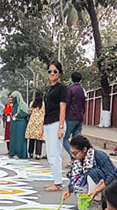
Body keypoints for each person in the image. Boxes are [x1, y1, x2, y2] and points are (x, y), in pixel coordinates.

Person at [62, 135, 117, 210]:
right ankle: (88, 200)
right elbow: (73, 176)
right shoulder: (77, 161)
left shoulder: (99, 155)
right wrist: (69, 190)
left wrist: (96, 191)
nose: (73, 156)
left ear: (84, 149)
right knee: (80, 177)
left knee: (93, 173)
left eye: (75, 153)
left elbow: (112, 176)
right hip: (98, 187)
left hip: (110, 187)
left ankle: (97, 202)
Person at [43, 60, 68, 191]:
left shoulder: (62, 88)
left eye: (55, 71)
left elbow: (62, 108)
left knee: (55, 153)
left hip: (56, 123)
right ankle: (56, 180)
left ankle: (58, 183)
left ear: (60, 74)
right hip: (48, 123)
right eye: (50, 71)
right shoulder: (48, 90)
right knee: (50, 153)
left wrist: (61, 127)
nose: (52, 74)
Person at [63, 72, 85, 152]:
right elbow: (83, 104)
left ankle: (73, 156)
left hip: (71, 117)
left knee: (64, 138)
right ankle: (78, 157)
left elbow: (67, 103)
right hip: (80, 117)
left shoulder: (70, 89)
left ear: (71, 79)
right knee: (76, 140)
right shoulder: (82, 90)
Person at [8, 90, 30, 159]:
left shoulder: (22, 104)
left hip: (21, 124)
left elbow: (26, 113)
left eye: (13, 98)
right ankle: (13, 152)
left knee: (20, 139)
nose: (11, 99)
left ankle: (20, 153)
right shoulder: (14, 105)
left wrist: (18, 114)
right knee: (13, 138)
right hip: (14, 123)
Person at [25, 90, 45, 159]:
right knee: (39, 139)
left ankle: (30, 153)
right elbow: (44, 113)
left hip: (32, 122)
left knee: (32, 138)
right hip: (40, 122)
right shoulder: (43, 104)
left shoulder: (32, 103)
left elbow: (29, 111)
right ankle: (38, 154)